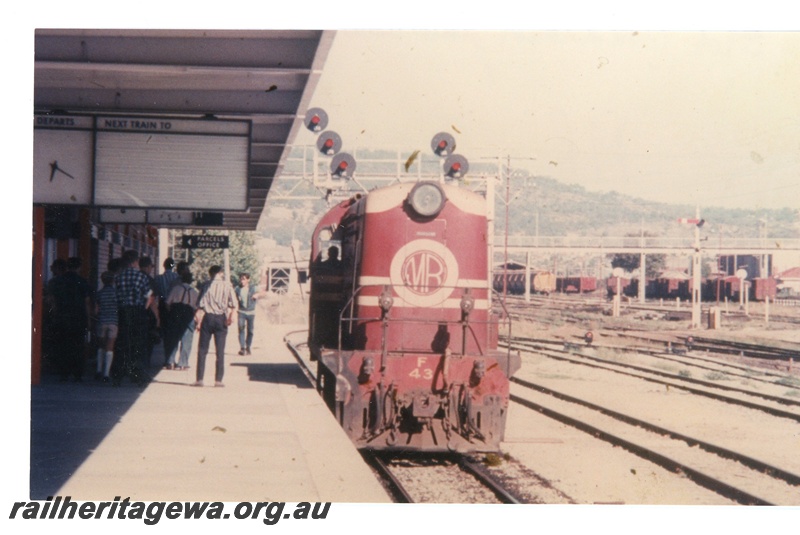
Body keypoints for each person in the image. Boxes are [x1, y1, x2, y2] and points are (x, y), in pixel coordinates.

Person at [112, 250, 156, 386]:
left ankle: (117, 376)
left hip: (122, 312)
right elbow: (149, 297)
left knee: (122, 344)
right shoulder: (141, 277)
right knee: (138, 345)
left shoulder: (118, 277)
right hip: (138, 312)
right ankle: (138, 376)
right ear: (135, 262)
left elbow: (115, 296)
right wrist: (144, 308)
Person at [44, 258, 92, 381]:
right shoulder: (83, 281)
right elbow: (87, 302)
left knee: (63, 345)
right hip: (79, 318)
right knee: (78, 346)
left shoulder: (55, 281)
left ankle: (64, 373)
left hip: (61, 317)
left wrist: (54, 314)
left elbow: (50, 300)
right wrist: (88, 319)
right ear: (79, 267)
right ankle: (77, 374)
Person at [193, 265, 237, 387]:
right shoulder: (227, 285)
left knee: (202, 350)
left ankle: (200, 379)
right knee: (220, 351)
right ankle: (218, 380)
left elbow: (199, 306)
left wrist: (198, 322)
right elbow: (233, 304)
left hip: (207, 318)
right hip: (221, 318)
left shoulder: (205, 285)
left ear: (210, 273)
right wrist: (230, 318)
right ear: (221, 273)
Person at [163, 270, 199, 371]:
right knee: (187, 338)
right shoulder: (194, 291)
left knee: (173, 338)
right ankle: (183, 363)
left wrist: (171, 311)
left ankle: (170, 362)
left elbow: (167, 302)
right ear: (191, 281)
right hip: (188, 314)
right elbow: (197, 307)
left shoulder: (176, 289)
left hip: (176, 313)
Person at [94, 271, 118, 382]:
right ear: (113, 280)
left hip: (102, 321)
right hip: (113, 322)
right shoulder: (116, 293)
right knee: (110, 347)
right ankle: (106, 374)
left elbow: (96, 309)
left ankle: (98, 370)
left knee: (101, 346)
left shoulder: (99, 293)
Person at [235, 273, 267, 356]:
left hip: (251, 313)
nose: (242, 281)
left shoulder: (253, 287)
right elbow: (234, 299)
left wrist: (257, 294)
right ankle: (242, 348)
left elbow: (264, 293)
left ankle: (248, 347)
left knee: (250, 331)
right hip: (241, 312)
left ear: (248, 280)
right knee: (241, 329)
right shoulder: (238, 289)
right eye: (241, 279)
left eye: (244, 279)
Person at [138, 256, 161, 373]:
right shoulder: (151, 281)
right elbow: (152, 301)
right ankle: (144, 365)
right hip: (147, 315)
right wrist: (157, 317)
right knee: (147, 341)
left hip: (131, 312)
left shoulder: (135, 277)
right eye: (151, 267)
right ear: (147, 267)